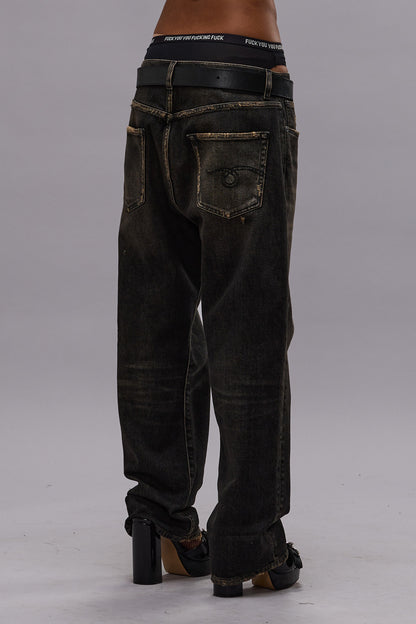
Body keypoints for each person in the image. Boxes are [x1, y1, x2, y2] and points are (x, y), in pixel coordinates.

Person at [116, 0, 303, 597]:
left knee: (154, 318)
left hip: (155, 87)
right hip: (240, 81)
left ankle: (159, 518)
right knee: (248, 325)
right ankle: (248, 540)